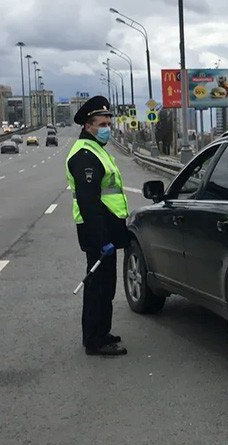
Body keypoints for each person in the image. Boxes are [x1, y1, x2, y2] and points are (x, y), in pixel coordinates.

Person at [66, 96, 130, 356]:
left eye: (109, 123)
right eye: (102, 124)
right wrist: (102, 238)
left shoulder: (96, 150)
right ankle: (94, 340)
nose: (107, 128)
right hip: (97, 231)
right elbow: (89, 202)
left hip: (107, 229)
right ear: (88, 126)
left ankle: (102, 331)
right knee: (98, 286)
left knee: (107, 285)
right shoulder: (84, 156)